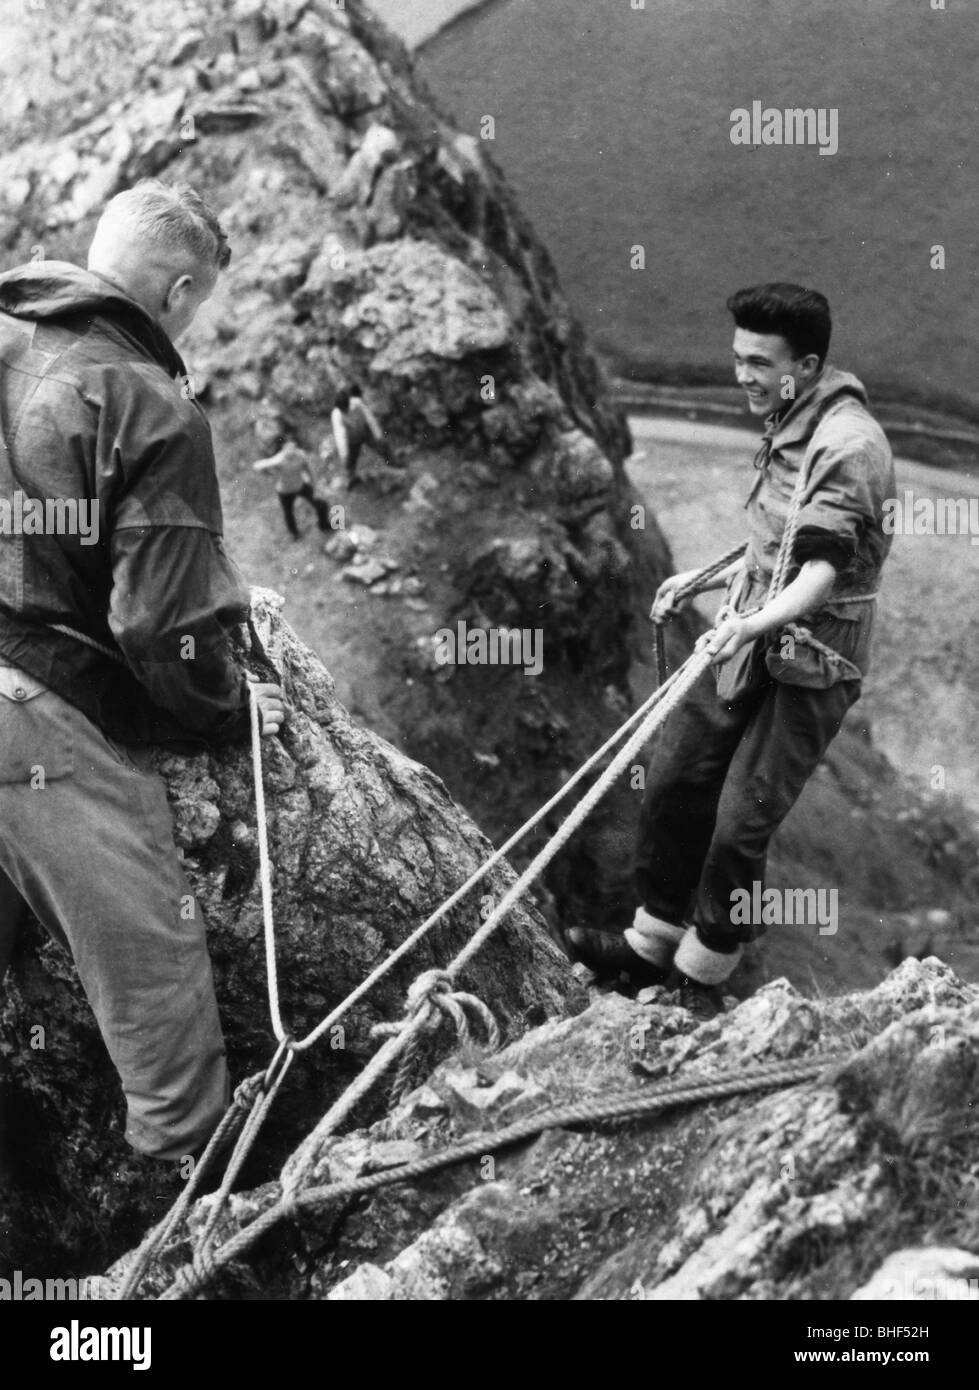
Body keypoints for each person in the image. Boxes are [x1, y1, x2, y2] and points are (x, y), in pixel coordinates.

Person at [0, 179, 284, 1163]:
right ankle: (189, 1231)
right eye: (200, 301)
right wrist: (224, 708)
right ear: (177, 286)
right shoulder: (147, 399)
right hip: (40, 711)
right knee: (157, 982)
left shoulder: (8, 329)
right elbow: (162, 625)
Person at [564, 284, 895, 1017]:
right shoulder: (787, 413)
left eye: (756, 362)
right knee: (676, 778)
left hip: (813, 659)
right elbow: (774, 540)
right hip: (754, 626)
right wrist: (705, 578)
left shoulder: (847, 447)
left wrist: (746, 623)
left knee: (740, 822)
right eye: (736, 358)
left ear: (804, 366)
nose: (740, 375)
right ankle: (650, 943)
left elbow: (819, 568)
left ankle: (702, 977)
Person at [253, 439, 331, 539]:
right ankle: (294, 534)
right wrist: (270, 472)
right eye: (288, 449)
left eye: (292, 448)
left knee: (322, 504)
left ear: (295, 448)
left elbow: (310, 471)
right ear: (283, 450)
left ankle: (323, 525)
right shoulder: (279, 459)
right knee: (288, 513)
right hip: (285, 491)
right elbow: (257, 466)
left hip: (300, 486)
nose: (291, 452)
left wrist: (314, 486)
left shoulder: (301, 456)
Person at [330, 383, 400, 489]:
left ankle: (393, 462)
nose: (344, 411)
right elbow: (340, 436)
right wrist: (344, 453)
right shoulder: (336, 415)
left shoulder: (357, 403)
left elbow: (370, 418)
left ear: (348, 403)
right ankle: (352, 478)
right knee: (350, 461)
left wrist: (378, 435)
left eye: (345, 408)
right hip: (352, 439)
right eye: (342, 410)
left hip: (365, 432)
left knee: (383, 445)